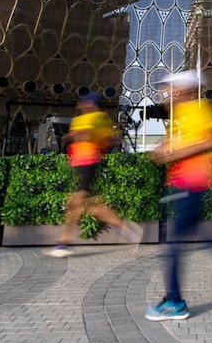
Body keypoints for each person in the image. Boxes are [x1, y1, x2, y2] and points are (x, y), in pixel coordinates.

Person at [145, 70, 212, 321]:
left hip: (193, 184)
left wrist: (175, 153)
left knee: (174, 247)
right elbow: (173, 144)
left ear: (183, 89)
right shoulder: (178, 114)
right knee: (200, 238)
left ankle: (175, 301)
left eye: (170, 88)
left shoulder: (200, 109)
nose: (166, 93)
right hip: (180, 185)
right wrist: (162, 149)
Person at [45, 93, 142, 258]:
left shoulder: (99, 117)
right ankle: (127, 230)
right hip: (78, 163)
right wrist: (73, 136)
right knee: (87, 206)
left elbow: (106, 138)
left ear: (91, 103)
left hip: (89, 162)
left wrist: (82, 135)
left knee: (75, 203)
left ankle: (63, 244)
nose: (80, 104)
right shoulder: (78, 119)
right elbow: (78, 137)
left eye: (84, 101)